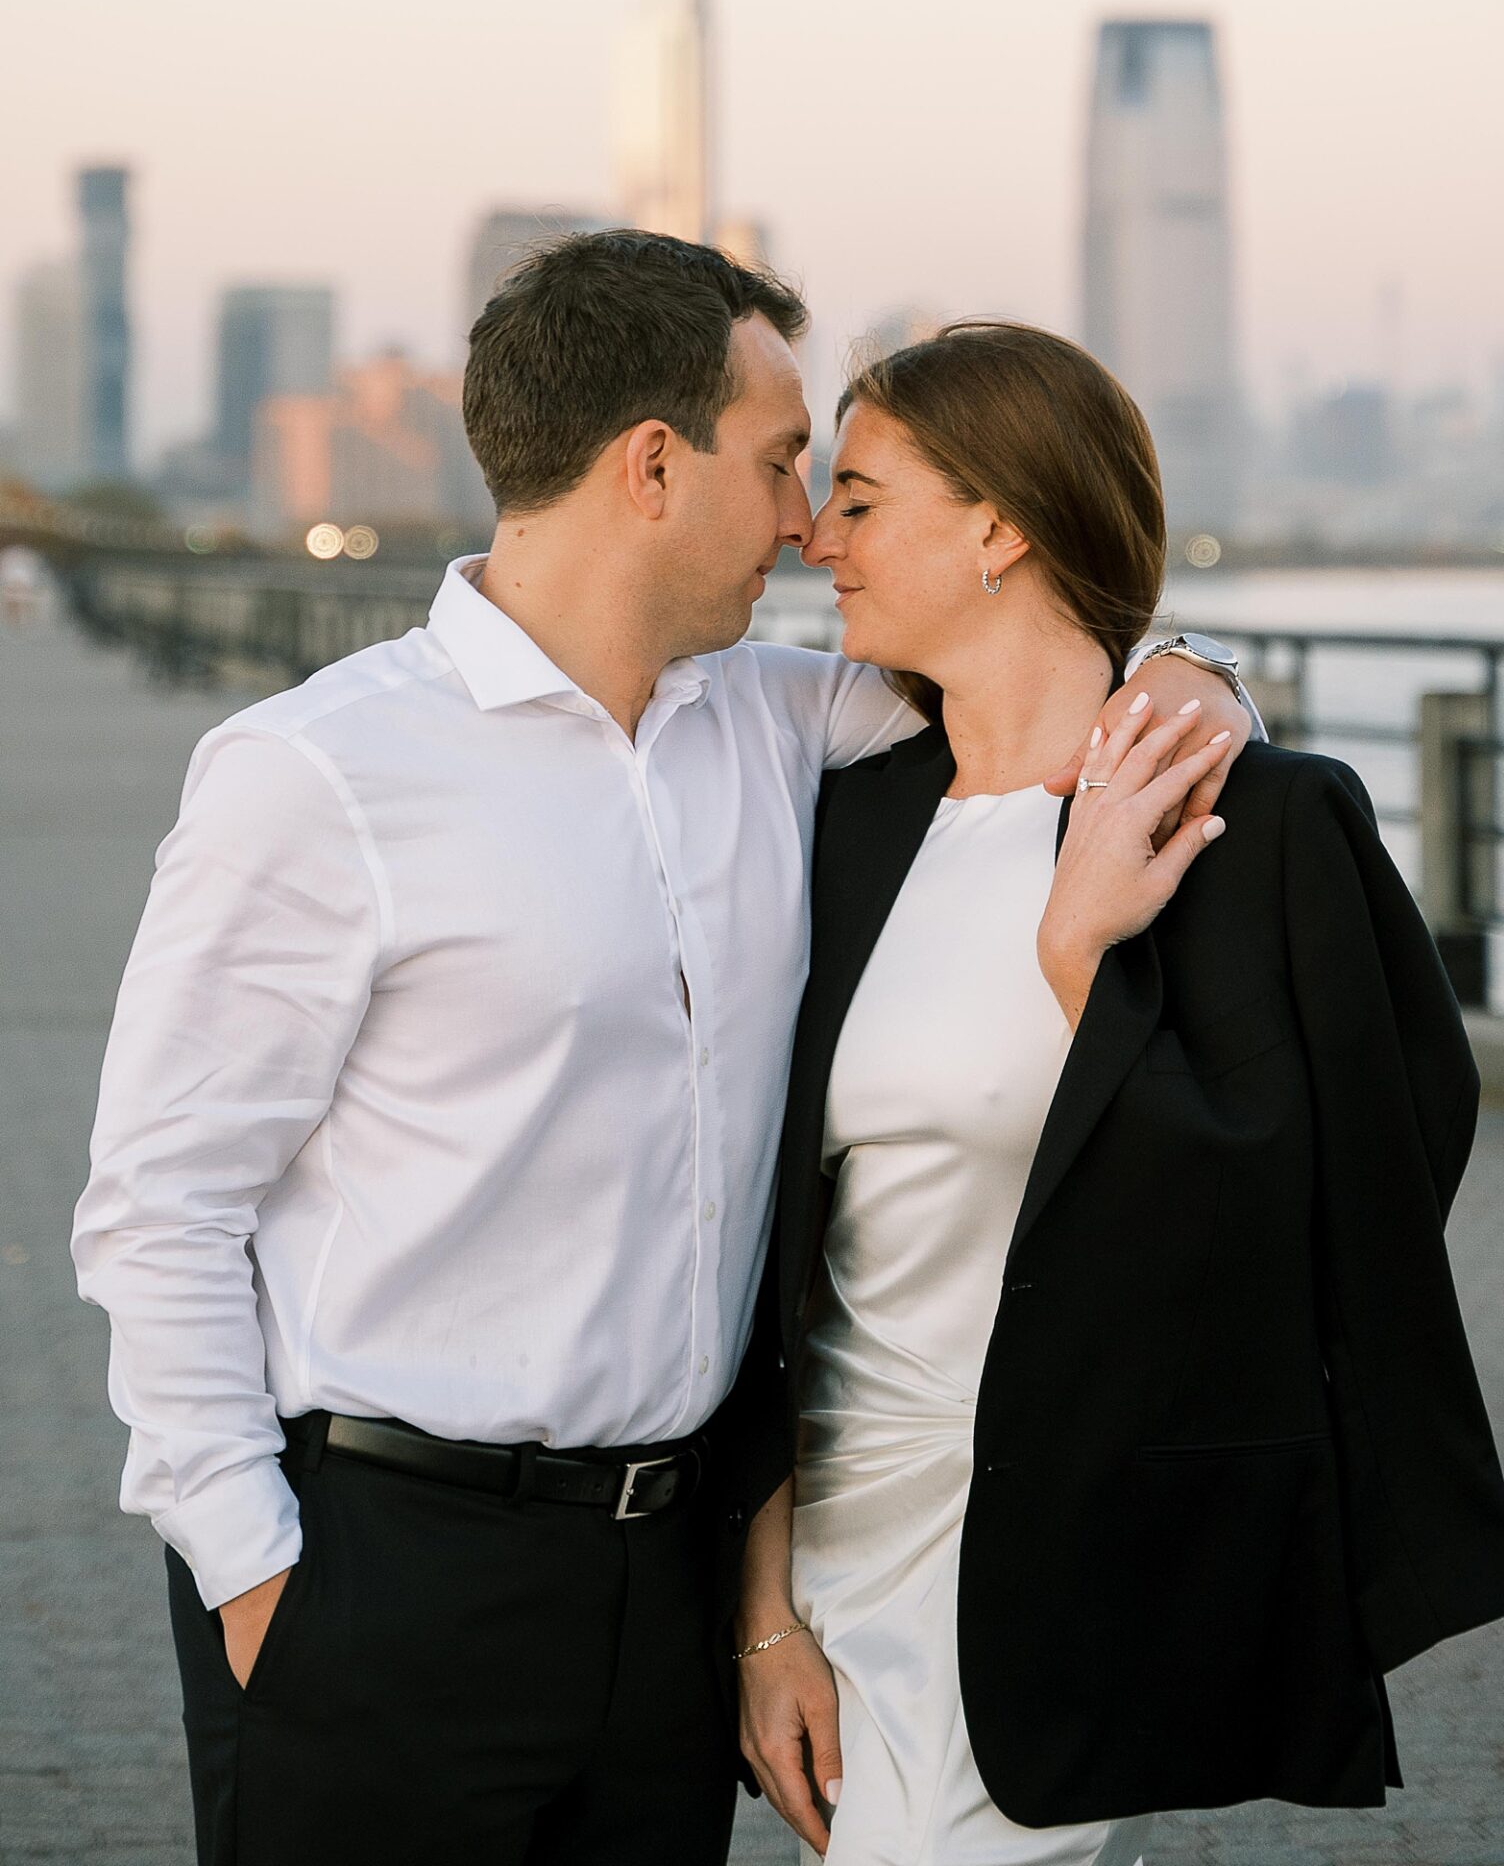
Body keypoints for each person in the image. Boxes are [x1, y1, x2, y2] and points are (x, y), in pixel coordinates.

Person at [70, 236, 1253, 1866]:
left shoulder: (787, 723)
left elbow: (1050, 672)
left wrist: (1203, 679)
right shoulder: (315, 773)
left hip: (674, 1580)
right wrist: (258, 1580)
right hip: (384, 1574)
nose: (802, 523)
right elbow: (159, 1206)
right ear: (649, 467)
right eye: (777, 465)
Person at [735, 322, 1504, 1864]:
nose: (813, 537)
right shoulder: (833, 819)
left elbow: (1331, 1206)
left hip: (1066, 1539)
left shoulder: (1266, 827)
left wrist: (1076, 953)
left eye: (859, 496)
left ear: (999, 524)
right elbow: (777, 1262)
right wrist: (763, 1614)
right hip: (832, 1541)